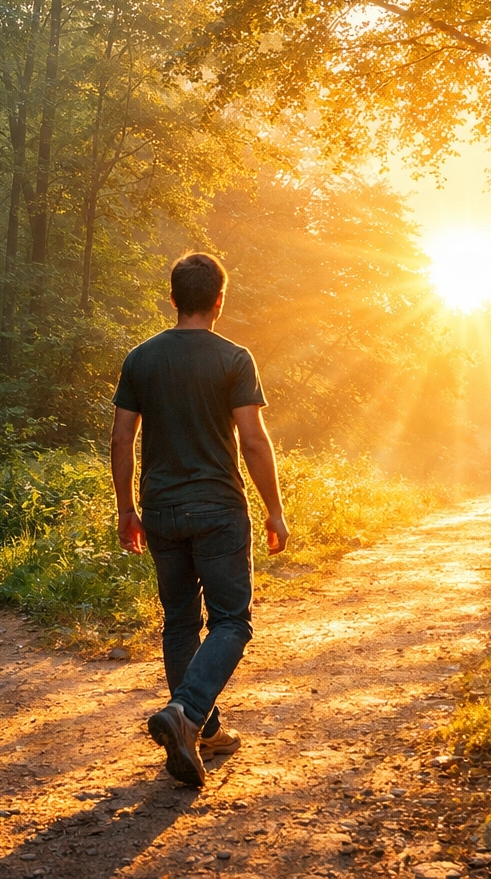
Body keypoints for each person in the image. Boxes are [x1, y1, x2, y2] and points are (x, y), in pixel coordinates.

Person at [109, 252, 290, 787]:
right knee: (231, 621)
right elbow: (252, 440)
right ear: (219, 301)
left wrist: (126, 509)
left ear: (173, 298)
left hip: (161, 509)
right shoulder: (234, 358)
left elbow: (121, 439)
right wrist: (275, 509)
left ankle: (203, 733)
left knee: (181, 621)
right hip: (218, 508)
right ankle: (187, 714)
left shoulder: (140, 359)